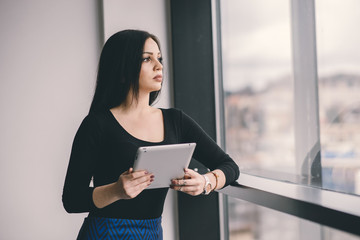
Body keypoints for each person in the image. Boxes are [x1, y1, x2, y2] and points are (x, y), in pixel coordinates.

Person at [62, 29, 239, 240]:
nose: (159, 66)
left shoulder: (176, 120)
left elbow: (229, 166)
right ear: (122, 68)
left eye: (159, 58)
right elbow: (71, 200)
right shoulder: (96, 124)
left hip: (152, 234)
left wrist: (206, 182)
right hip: (103, 233)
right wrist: (117, 190)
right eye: (147, 59)